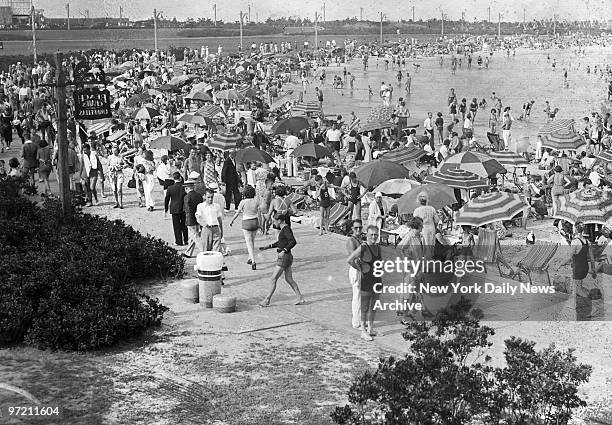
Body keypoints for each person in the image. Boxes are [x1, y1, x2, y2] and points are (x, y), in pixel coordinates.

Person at [259, 212, 305, 307]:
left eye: (274, 221)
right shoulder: (285, 229)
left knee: (273, 279)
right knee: (289, 279)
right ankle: (300, 298)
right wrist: (269, 246)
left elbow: (293, 241)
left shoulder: (286, 229)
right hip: (288, 257)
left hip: (284, 257)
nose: (273, 223)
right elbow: (281, 242)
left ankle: (267, 300)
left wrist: (284, 250)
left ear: (279, 220)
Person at [347, 224, 382, 341]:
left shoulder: (378, 247)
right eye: (371, 234)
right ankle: (363, 330)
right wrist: (360, 268)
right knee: (365, 306)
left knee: (374, 306)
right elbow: (350, 259)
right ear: (366, 235)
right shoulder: (363, 247)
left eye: (376, 235)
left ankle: (370, 328)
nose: (374, 237)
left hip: (377, 280)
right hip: (366, 280)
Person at [229, 185, 260, 270]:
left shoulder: (243, 202)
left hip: (246, 222)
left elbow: (237, 213)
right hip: (255, 221)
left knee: (248, 243)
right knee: (252, 241)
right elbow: (261, 211)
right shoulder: (256, 201)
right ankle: (250, 258)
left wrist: (232, 220)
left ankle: (253, 261)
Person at [195, 188, 224, 252]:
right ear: (204, 196)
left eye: (212, 197)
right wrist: (204, 224)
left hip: (216, 228)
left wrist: (221, 230)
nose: (210, 199)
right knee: (205, 250)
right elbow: (198, 216)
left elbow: (219, 219)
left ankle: (215, 261)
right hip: (206, 229)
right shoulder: (200, 206)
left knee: (216, 250)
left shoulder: (216, 206)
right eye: (208, 197)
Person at [346, 219, 363, 329]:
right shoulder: (351, 241)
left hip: (360, 269)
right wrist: (361, 270)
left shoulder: (358, 239)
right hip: (356, 269)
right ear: (352, 228)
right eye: (356, 228)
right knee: (357, 296)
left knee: (361, 297)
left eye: (360, 227)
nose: (358, 230)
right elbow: (352, 260)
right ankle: (356, 322)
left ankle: (359, 320)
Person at [165, 171, 189, 246]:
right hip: (183, 208)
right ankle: (186, 240)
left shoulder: (170, 188)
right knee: (184, 225)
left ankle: (179, 241)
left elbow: (167, 199)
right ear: (180, 178)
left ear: (173, 178)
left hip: (174, 209)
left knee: (176, 226)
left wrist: (166, 209)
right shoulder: (184, 187)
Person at [412, 191, 439, 257]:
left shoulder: (417, 210)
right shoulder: (432, 208)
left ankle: (426, 261)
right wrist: (435, 227)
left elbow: (415, 223)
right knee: (431, 246)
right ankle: (430, 260)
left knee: (424, 247)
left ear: (419, 201)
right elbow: (436, 220)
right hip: (431, 228)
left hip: (423, 230)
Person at [183, 175, 204, 258]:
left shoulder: (186, 197)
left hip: (190, 219)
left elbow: (187, 210)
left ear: (187, 188)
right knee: (193, 236)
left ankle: (204, 250)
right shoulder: (199, 195)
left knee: (194, 236)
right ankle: (188, 252)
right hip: (198, 218)